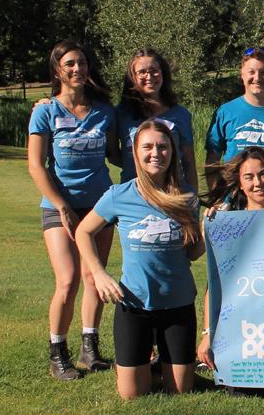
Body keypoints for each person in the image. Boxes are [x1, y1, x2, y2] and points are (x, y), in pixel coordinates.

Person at [74, 120, 205, 400]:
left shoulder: (187, 197)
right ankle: (146, 365)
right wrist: (98, 274)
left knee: (181, 390)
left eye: (163, 147)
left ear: (172, 152)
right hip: (134, 305)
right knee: (132, 395)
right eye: (148, 147)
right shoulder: (118, 195)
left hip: (178, 304)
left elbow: (192, 254)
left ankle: (161, 364)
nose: (156, 153)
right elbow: (83, 231)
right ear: (135, 152)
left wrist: (206, 232)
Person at [27, 40, 117, 380]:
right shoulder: (45, 111)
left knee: (94, 277)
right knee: (67, 281)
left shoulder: (104, 112)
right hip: (59, 205)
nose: (78, 69)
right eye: (70, 64)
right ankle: (57, 353)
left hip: (99, 205)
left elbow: (116, 154)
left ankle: (89, 349)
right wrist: (62, 206)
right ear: (57, 70)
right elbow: (36, 165)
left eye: (82, 63)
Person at [196, 147, 264, 374]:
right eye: (249, 177)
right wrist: (208, 334)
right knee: (240, 387)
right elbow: (215, 286)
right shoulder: (227, 221)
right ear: (240, 184)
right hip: (247, 320)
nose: (258, 183)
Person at [204, 47, 264, 204]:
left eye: (263, 72)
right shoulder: (225, 112)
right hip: (233, 204)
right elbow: (212, 162)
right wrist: (217, 201)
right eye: (251, 72)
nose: (257, 78)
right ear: (242, 74)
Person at [117, 48, 197, 190]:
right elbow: (113, 154)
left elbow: (189, 163)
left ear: (163, 73)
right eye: (142, 72)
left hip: (172, 191)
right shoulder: (120, 114)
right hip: (134, 193)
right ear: (133, 77)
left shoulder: (180, 114)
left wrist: (193, 196)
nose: (149, 77)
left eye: (154, 70)